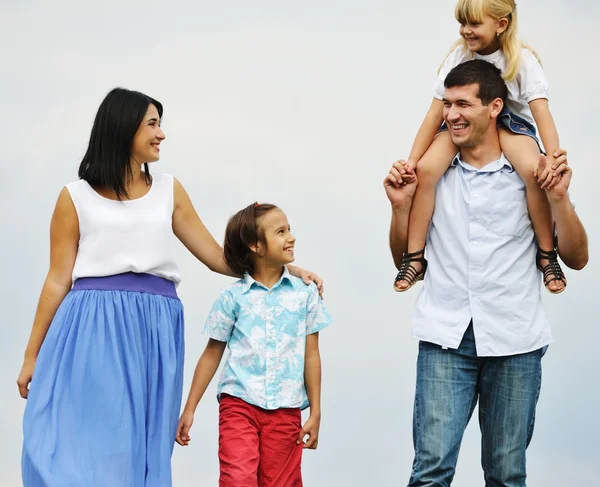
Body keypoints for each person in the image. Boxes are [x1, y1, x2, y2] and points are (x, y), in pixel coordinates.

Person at [17, 88, 323, 486]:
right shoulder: (74, 197)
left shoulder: (169, 190)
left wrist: (287, 269)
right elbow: (57, 278)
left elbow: (219, 257)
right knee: (80, 436)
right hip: (91, 326)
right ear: (123, 128)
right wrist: (31, 355)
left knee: (141, 444)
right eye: (152, 124)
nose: (161, 134)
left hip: (154, 328)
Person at [384, 60, 588, 486]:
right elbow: (403, 259)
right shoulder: (431, 177)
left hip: (515, 341)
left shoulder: (531, 173)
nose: (452, 114)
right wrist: (400, 207)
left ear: (495, 107)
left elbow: (578, 258)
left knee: (506, 475)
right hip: (445, 337)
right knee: (430, 472)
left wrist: (562, 202)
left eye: (464, 104)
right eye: (448, 104)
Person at [394, 0, 567, 294]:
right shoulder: (459, 56)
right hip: (463, 122)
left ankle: (547, 253)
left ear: (501, 25)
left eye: (474, 24)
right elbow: (435, 113)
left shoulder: (521, 60)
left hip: (510, 124)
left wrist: (552, 157)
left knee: (532, 171)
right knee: (426, 170)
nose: (466, 31)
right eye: (463, 24)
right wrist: (411, 161)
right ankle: (414, 257)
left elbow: (541, 113)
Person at [175, 202, 332, 487]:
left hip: (287, 410)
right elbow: (212, 354)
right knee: (237, 480)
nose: (291, 237)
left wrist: (316, 411)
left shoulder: (306, 294)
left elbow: (312, 355)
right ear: (256, 246)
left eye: (289, 229)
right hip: (239, 406)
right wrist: (190, 408)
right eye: (281, 232)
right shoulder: (232, 298)